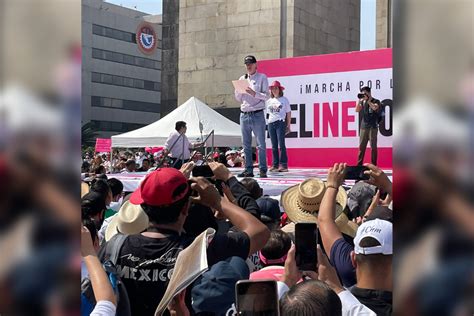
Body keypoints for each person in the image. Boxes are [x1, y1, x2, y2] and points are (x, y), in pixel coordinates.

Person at [99, 167, 270, 316]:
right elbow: (260, 232)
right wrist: (217, 201)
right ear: (186, 208)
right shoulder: (201, 249)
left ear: (143, 207)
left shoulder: (113, 246)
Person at [235, 55, 269, 178]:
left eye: (250, 63)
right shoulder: (241, 79)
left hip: (257, 113)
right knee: (246, 145)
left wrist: (254, 93)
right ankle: (248, 169)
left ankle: (263, 170)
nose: (248, 66)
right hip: (244, 114)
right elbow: (238, 98)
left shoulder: (262, 77)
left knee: (261, 144)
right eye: (246, 64)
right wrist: (239, 91)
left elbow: (267, 96)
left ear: (256, 64)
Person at [266, 80, 291, 172]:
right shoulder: (269, 101)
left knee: (281, 144)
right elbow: (269, 114)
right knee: (274, 145)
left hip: (280, 123)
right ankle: (275, 165)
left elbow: (288, 113)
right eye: (273, 88)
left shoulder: (284, 100)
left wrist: (288, 125)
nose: (274, 90)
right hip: (271, 123)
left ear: (280, 89)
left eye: (276, 88)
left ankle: (284, 165)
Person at [355, 86, 382, 166]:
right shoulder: (362, 101)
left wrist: (369, 101)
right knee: (361, 147)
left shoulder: (376, 101)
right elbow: (357, 110)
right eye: (362, 93)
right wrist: (360, 101)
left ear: (369, 92)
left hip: (372, 127)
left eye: (365, 93)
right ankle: (359, 165)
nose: (364, 95)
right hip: (363, 127)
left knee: (373, 147)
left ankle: (373, 165)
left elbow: (374, 108)